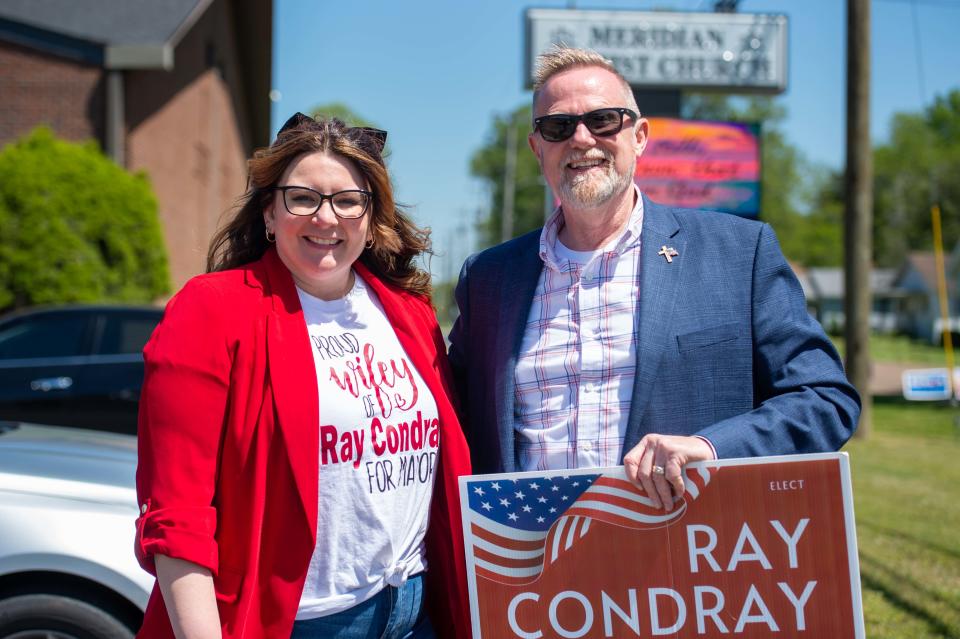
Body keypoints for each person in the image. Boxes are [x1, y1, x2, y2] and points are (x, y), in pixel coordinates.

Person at [448, 47, 860, 508]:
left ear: (640, 136)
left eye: (604, 120)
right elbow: (448, 418)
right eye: (558, 126)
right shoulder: (488, 279)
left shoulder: (739, 254)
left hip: (687, 559)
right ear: (537, 147)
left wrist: (710, 449)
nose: (582, 139)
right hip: (533, 562)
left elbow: (824, 399)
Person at [135, 113, 471, 638]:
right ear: (269, 212)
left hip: (417, 610)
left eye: (347, 200)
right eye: (303, 198)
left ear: (371, 216)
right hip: (303, 622)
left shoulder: (408, 311)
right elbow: (177, 515)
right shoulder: (211, 311)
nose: (326, 217)